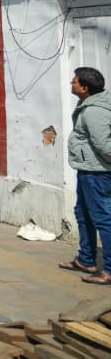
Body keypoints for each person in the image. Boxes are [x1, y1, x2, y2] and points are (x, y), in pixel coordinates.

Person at [61, 67, 111, 284]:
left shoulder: (93, 111)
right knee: (83, 214)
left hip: (96, 173)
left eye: (74, 81)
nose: (71, 83)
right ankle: (86, 259)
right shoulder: (89, 104)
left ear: (85, 87)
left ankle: (108, 270)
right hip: (87, 170)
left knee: (103, 219)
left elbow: (104, 145)